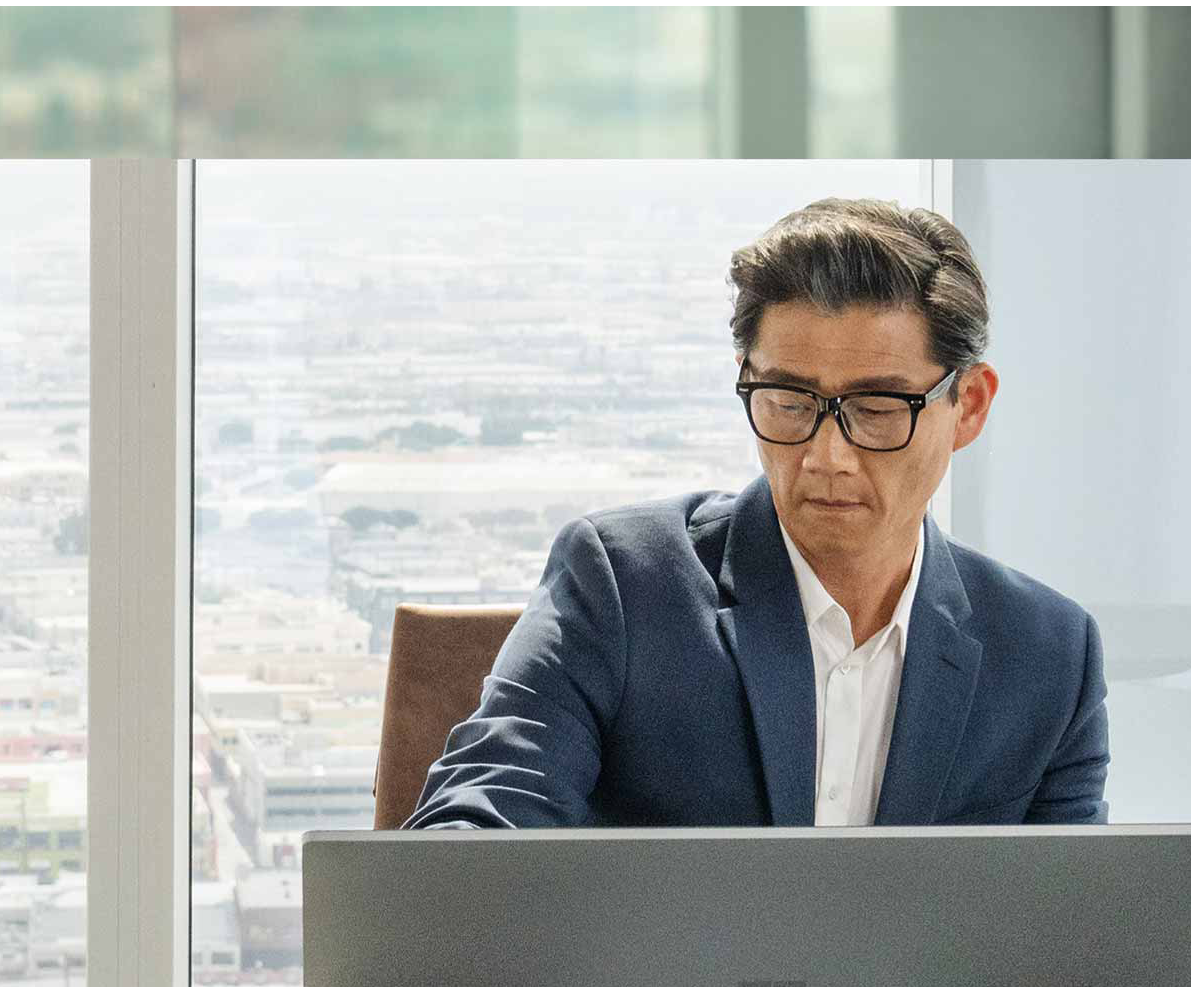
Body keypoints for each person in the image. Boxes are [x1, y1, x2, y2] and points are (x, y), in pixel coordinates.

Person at [402, 197, 1109, 830]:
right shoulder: (621, 585)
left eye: (876, 408)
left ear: (970, 406)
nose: (826, 455)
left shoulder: (1048, 656)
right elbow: (474, 837)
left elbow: (1073, 935)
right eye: (790, 401)